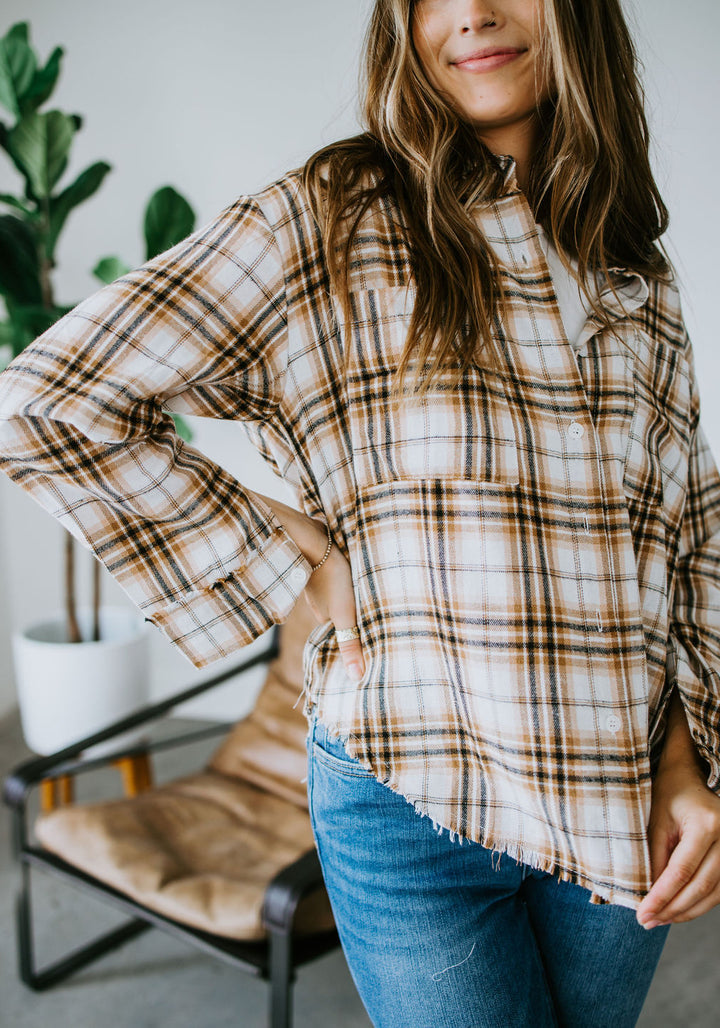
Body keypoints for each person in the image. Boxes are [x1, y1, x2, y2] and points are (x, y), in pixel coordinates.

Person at [0, 0, 719, 1024]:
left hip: (623, 794)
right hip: (411, 795)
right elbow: (43, 400)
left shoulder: (634, 267)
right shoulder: (329, 218)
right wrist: (274, 544)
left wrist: (687, 762)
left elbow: (689, 522)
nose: (472, 13)